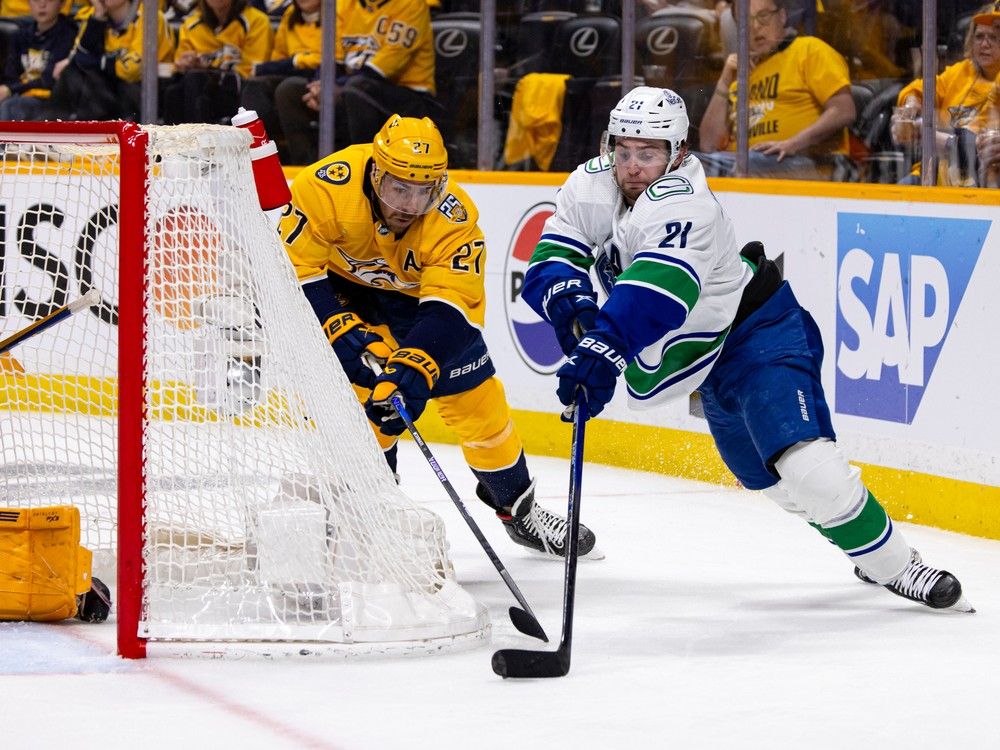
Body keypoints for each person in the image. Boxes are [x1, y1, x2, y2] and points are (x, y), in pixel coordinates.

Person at [521, 85, 972, 611]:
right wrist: (571, 308)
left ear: (679, 153)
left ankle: (901, 566)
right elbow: (555, 250)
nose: (632, 166)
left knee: (809, 469)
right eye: (623, 151)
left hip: (757, 332)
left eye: (648, 154)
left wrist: (601, 350)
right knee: (771, 482)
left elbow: (655, 294)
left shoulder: (685, 205)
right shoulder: (593, 181)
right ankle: (868, 551)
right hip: (703, 363)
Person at [277, 114, 598, 559]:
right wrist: (336, 324)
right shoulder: (327, 187)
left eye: (423, 191)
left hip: (422, 308)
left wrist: (414, 366)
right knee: (368, 410)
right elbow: (293, 267)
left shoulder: (454, 218)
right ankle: (372, 517)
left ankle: (518, 510)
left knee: (481, 410)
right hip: (344, 292)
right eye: (398, 189)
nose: (409, 205)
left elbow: (453, 305)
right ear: (375, 173)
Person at [697, 0, 856, 180]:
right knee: (688, 166)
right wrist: (724, 83)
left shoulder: (809, 50)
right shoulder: (739, 75)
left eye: (763, 16)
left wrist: (793, 144)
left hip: (806, 160)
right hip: (748, 163)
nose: (755, 26)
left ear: (781, 16)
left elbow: (844, 111)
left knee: (742, 165)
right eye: (746, 21)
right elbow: (708, 145)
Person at [275, 0, 437, 165]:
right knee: (290, 90)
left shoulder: (411, 4)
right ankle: (308, 169)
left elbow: (384, 68)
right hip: (351, 87)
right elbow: (332, 57)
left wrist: (335, 88)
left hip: (405, 95)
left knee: (356, 90)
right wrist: (321, 85)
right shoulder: (344, 4)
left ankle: (364, 168)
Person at [891, 2, 1000, 187]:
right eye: (979, 36)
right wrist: (911, 105)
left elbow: (977, 149)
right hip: (939, 172)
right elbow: (919, 89)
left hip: (979, 178)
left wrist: (927, 135)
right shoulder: (960, 72)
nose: (985, 44)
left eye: (994, 37)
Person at [44, 0, 176, 121]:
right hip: (106, 93)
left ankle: (87, 134)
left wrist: (98, 62)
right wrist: (99, 16)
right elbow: (79, 58)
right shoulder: (95, 16)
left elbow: (132, 69)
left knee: (96, 80)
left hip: (147, 92)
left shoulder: (150, 16)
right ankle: (51, 131)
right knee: (72, 73)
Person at [162, 0, 273, 125]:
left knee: (196, 80)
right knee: (174, 93)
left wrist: (209, 65)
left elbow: (252, 68)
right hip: (197, 87)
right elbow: (180, 62)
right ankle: (175, 141)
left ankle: (201, 139)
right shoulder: (191, 23)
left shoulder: (257, 21)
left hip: (238, 91)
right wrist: (186, 62)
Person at [239, 0, 321, 164]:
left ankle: (303, 162)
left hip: (322, 74)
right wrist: (291, 63)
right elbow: (279, 56)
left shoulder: (339, 11)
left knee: (287, 90)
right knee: (256, 84)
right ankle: (255, 155)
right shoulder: (290, 13)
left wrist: (296, 60)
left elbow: (332, 55)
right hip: (291, 71)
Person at [0, 0, 76, 121]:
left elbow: (49, 80)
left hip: (51, 99)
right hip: (19, 95)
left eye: (49, 0)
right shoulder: (20, 36)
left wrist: (11, 89)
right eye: (36, 0)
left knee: (10, 107)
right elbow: (10, 75)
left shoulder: (68, 35)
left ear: (62, 3)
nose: (42, 5)